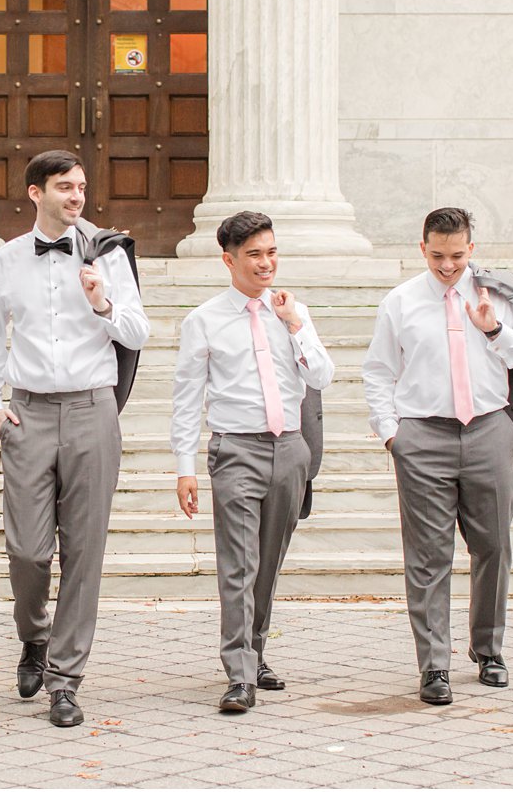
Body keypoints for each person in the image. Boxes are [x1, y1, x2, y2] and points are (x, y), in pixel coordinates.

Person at [0, 150, 150, 727]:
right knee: (27, 550)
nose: (76, 196)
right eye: (64, 187)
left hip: (92, 411)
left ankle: (66, 679)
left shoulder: (108, 254)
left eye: (80, 187)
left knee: (84, 552)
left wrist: (103, 302)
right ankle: (34, 636)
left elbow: (139, 330)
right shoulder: (5, 261)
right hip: (27, 414)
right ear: (34, 193)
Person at [361, 207, 513, 705]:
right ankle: (434, 665)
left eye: (458, 256)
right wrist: (391, 434)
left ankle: (488, 649)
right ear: (422, 248)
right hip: (422, 436)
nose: (448, 266)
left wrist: (494, 331)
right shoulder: (399, 302)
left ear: (473, 249)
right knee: (428, 557)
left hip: (488, 429)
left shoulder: (497, 298)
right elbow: (379, 370)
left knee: (493, 546)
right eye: (439, 256)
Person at [171, 211, 334, 713]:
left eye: (271, 252)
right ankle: (239, 673)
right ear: (229, 260)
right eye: (254, 255)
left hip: (289, 449)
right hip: (235, 449)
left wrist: (296, 327)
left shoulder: (293, 312)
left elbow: (323, 377)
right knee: (238, 565)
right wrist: (185, 466)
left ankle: (256, 652)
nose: (266, 264)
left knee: (268, 563)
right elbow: (186, 397)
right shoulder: (204, 319)